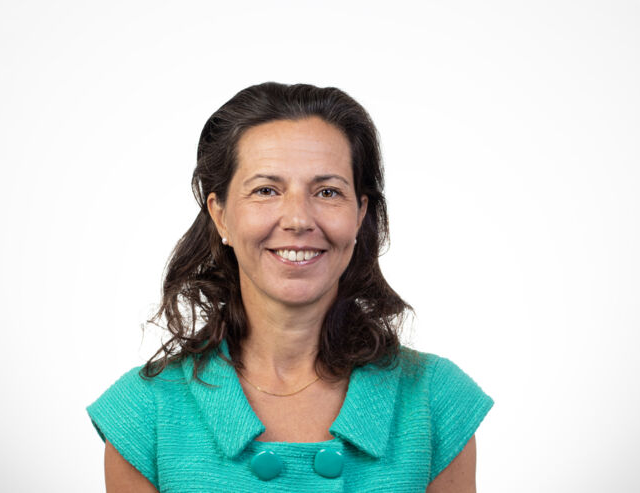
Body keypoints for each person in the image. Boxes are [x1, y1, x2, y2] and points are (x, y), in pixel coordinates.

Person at [87, 82, 493, 492]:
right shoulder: (142, 416)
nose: (298, 219)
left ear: (359, 214)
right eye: (266, 190)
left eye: (328, 192)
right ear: (221, 215)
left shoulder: (436, 402)